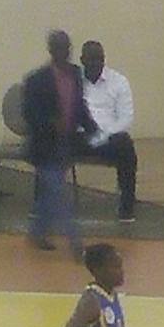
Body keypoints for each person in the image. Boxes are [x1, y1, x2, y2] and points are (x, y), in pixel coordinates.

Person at [22, 30, 98, 254]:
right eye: (59, 47)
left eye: (66, 47)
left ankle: (36, 231)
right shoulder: (36, 80)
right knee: (58, 192)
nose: (64, 52)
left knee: (49, 193)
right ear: (51, 50)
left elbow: (79, 106)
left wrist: (94, 129)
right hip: (45, 146)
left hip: (66, 143)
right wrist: (49, 123)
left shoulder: (76, 74)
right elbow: (29, 113)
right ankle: (75, 242)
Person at [76, 41, 139, 222]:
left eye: (100, 59)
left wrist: (103, 134)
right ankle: (44, 206)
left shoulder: (119, 82)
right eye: (91, 59)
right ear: (82, 60)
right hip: (80, 135)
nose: (96, 63)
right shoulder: (73, 81)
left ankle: (127, 206)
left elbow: (126, 118)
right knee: (49, 143)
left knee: (126, 146)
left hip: (108, 138)